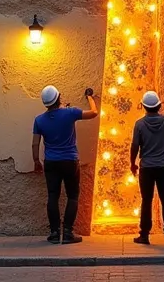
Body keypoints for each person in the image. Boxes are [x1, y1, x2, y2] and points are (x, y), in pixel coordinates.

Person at [32, 84, 97, 244]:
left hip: (51, 162)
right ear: (59, 97)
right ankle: (68, 232)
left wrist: (36, 161)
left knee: (52, 196)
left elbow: (35, 144)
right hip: (69, 160)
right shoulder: (70, 113)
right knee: (73, 195)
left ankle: (54, 233)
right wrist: (90, 98)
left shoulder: (39, 120)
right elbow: (93, 113)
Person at [130, 91, 164, 245]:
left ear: (144, 106)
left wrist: (132, 163)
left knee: (146, 200)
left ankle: (144, 235)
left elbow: (135, 146)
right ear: (159, 105)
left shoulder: (139, 124)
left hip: (147, 167)